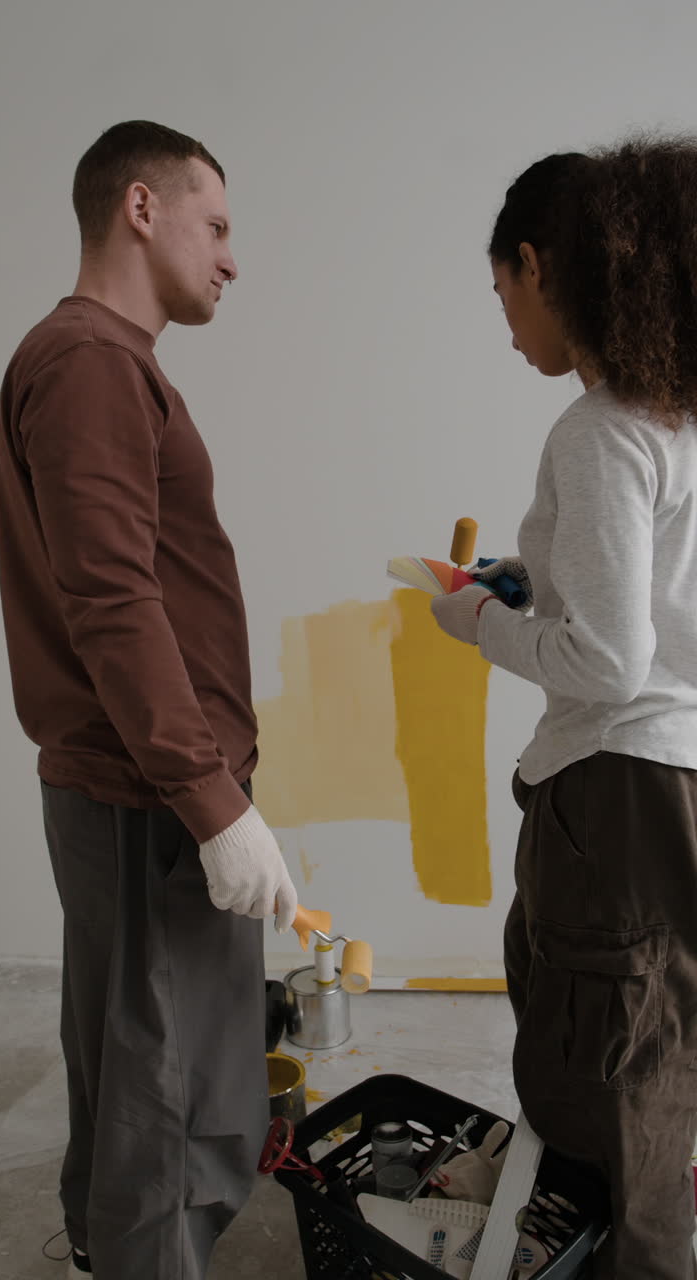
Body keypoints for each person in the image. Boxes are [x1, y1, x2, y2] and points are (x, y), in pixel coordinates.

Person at [0, 120, 298, 1280]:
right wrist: (212, 802)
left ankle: (102, 1247)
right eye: (214, 226)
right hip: (150, 795)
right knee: (174, 1096)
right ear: (139, 208)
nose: (230, 258)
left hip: (137, 785)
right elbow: (113, 601)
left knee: (135, 1066)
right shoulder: (90, 363)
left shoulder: (98, 359)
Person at [431, 137, 697, 1280]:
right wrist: (527, 579)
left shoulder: (598, 431)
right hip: (680, 779)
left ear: (538, 264)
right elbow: (660, 600)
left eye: (501, 287)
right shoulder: (677, 417)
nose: (505, 322)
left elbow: (610, 658)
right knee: (662, 1064)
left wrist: (474, 623)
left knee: (608, 1090)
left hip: (619, 794)